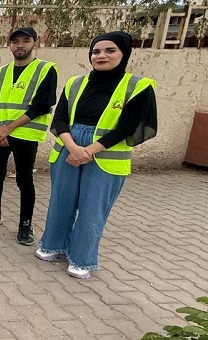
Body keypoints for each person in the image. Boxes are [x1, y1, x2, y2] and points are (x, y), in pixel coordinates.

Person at [36, 31, 156, 279]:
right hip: (68, 149)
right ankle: (54, 245)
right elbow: (59, 119)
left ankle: (82, 259)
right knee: (61, 201)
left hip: (105, 154)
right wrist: (73, 147)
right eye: (96, 51)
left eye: (110, 50)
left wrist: (87, 151)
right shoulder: (75, 83)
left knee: (93, 209)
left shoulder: (138, 86)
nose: (101, 56)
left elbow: (127, 127)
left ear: (124, 54)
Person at [0, 27, 58, 246]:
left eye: (25, 40)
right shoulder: (1, 72)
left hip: (24, 134)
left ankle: (25, 224)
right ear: (9, 45)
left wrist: (7, 129)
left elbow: (43, 104)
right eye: (15, 41)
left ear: (34, 43)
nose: (20, 45)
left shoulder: (45, 70)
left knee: (24, 179)